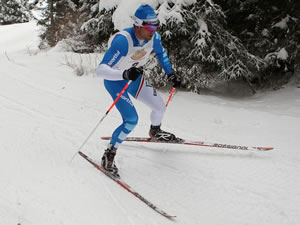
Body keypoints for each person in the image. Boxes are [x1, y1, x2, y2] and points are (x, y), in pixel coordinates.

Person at [96, 4, 181, 177]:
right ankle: (109, 154)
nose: (153, 30)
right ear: (138, 25)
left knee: (159, 107)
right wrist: (124, 73)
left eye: (156, 25)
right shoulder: (123, 41)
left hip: (134, 80)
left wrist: (171, 74)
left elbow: (162, 54)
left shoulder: (154, 38)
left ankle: (155, 131)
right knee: (131, 120)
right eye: (150, 26)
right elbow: (101, 70)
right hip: (116, 82)